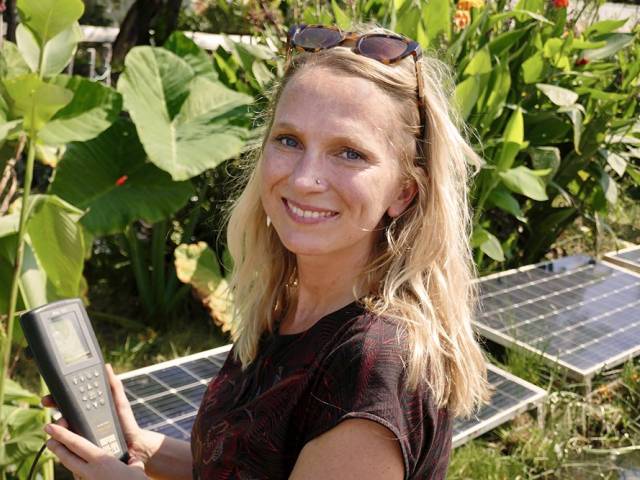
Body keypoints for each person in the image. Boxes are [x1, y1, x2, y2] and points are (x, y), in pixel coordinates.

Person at [42, 23, 490, 480]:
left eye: (350, 153)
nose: (302, 179)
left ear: (404, 192)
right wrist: (140, 446)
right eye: (289, 141)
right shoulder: (289, 308)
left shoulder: (372, 365)